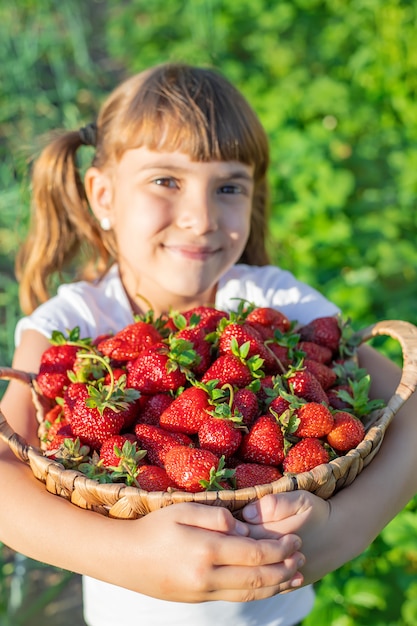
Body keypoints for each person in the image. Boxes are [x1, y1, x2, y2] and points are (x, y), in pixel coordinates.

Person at [0, 63, 415, 626]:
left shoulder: (271, 303)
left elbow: (411, 408)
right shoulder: (74, 321)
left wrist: (348, 529)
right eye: (165, 181)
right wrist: (128, 558)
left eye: (227, 188)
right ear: (102, 194)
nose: (199, 219)